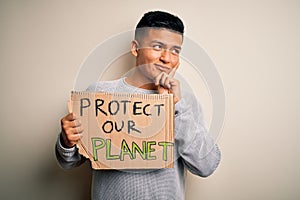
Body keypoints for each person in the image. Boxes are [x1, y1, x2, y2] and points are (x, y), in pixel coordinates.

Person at [56, 10, 221, 200]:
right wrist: (66, 142)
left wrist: (176, 106)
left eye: (175, 50)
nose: (167, 58)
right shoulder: (98, 94)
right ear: (135, 48)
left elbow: (206, 165)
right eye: (158, 46)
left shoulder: (186, 102)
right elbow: (68, 162)